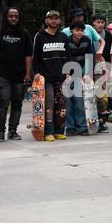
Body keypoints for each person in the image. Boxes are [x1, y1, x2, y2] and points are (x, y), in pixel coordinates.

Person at [0, 7, 33, 142]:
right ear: (6, 17)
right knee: (2, 103)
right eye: (11, 16)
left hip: (20, 75)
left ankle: (13, 131)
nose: (14, 19)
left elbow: (28, 55)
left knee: (17, 104)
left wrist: (28, 73)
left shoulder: (24, 34)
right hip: (3, 75)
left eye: (16, 16)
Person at [33, 10, 70, 142]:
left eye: (56, 18)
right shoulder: (40, 36)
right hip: (46, 78)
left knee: (62, 106)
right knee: (48, 105)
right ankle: (48, 131)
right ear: (46, 20)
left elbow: (68, 57)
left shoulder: (64, 37)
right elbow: (35, 57)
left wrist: (69, 73)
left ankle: (59, 131)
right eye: (51, 18)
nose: (53, 21)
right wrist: (37, 73)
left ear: (59, 21)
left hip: (61, 77)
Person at [65, 21, 94, 136]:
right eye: (77, 30)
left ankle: (82, 127)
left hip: (80, 75)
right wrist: (66, 73)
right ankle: (70, 127)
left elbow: (90, 57)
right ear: (71, 31)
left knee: (79, 102)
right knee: (68, 102)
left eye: (81, 30)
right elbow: (65, 58)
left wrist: (87, 73)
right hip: (67, 75)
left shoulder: (86, 40)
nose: (80, 33)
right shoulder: (66, 40)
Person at [91, 13, 112, 133]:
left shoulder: (108, 35)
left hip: (104, 67)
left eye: (102, 22)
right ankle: (91, 120)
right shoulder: (88, 33)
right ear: (93, 23)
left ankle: (101, 122)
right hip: (90, 67)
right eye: (98, 22)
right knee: (91, 95)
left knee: (102, 96)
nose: (100, 24)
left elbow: (110, 52)